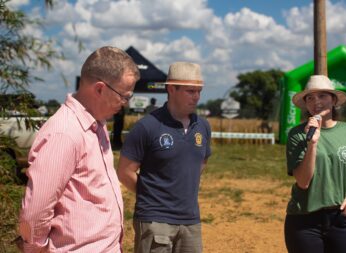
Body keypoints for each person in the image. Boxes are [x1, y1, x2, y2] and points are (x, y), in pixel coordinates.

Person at [18, 46, 140, 252]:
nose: (125, 103)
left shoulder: (97, 124)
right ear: (100, 89)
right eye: (124, 95)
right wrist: (36, 248)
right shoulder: (64, 133)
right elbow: (36, 210)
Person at [117, 62, 211, 253]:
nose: (196, 97)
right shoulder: (147, 127)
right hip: (155, 219)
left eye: (199, 91)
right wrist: (154, 196)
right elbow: (125, 172)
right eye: (190, 91)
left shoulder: (203, 126)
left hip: (190, 220)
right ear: (171, 89)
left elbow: (201, 162)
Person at [284, 75, 346, 253]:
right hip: (304, 221)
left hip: (342, 219)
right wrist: (313, 142)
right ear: (306, 104)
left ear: (334, 100)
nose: (316, 101)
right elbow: (303, 182)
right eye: (310, 97)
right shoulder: (297, 134)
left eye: (322, 96)